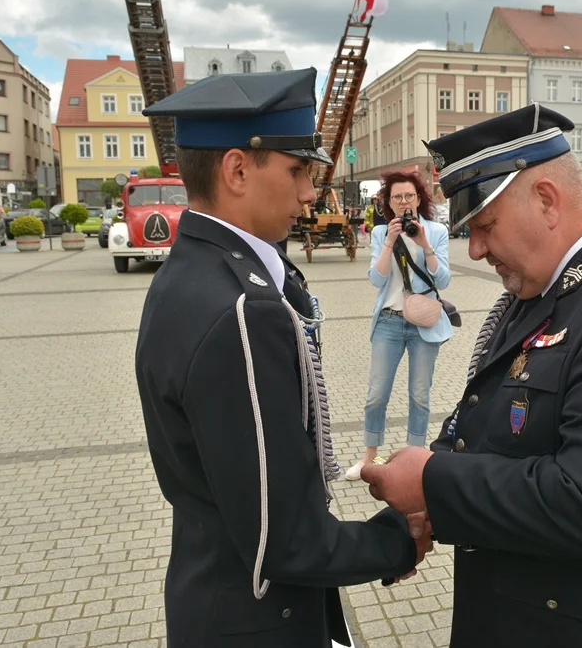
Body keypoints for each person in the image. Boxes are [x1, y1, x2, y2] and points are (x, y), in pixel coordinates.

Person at [360, 103, 582, 647]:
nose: (475, 250)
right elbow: (488, 426)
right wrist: (425, 503)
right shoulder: (543, 289)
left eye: (483, 226)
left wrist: (432, 480)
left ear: (547, 201)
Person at [134, 68, 430, 648]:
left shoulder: (190, 275)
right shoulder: (245, 309)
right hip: (259, 620)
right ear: (237, 170)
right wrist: (401, 537)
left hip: (217, 595)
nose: (308, 193)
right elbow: (284, 540)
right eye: (296, 171)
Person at [344, 169, 452, 480]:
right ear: (388, 203)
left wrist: (425, 243)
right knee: (377, 393)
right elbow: (376, 279)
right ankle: (369, 457)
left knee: (420, 394)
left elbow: (442, 278)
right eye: (396, 197)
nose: (403, 202)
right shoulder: (380, 233)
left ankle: (414, 462)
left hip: (424, 324)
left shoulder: (436, 230)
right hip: (389, 323)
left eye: (409, 196)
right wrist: (390, 241)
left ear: (419, 199)